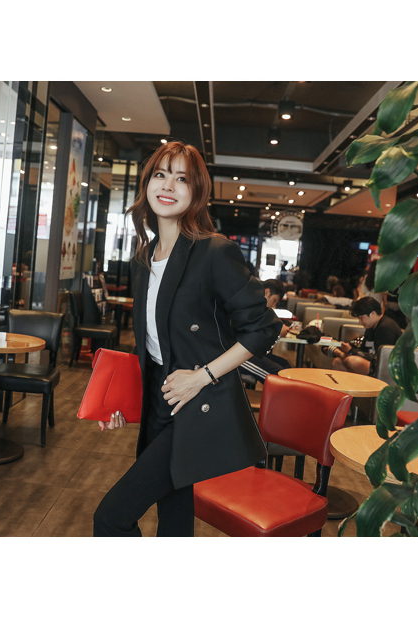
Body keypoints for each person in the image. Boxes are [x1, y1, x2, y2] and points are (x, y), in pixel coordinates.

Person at [93, 141, 281, 537]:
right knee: (175, 520)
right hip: (159, 401)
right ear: (147, 183)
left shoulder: (214, 252)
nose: (168, 185)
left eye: (182, 178)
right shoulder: (144, 258)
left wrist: (202, 376)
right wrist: (122, 401)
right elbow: (149, 344)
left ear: (196, 192)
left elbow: (264, 327)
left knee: (111, 517)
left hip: (197, 407)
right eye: (160, 174)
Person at [328, 296, 401, 376]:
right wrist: (349, 350)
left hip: (388, 368)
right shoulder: (370, 327)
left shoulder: (386, 327)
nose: (360, 322)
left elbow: (380, 357)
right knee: (337, 363)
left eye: (361, 318)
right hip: (374, 363)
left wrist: (351, 351)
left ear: (373, 314)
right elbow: (364, 350)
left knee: (352, 361)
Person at [238, 279, 292, 383]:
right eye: (274, 300)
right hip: (237, 353)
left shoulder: (255, 305)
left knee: (285, 366)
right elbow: (247, 334)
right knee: (279, 377)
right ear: (267, 292)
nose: (273, 304)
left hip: (249, 349)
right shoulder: (247, 303)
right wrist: (277, 333)